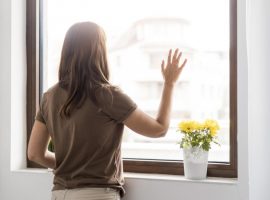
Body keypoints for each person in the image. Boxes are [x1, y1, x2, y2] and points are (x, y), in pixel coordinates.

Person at [28, 21, 187, 200]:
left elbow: (34, 153)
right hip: (96, 195)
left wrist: (69, 166)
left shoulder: (49, 96)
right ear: (99, 52)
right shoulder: (107, 95)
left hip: (59, 194)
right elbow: (159, 129)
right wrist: (169, 84)